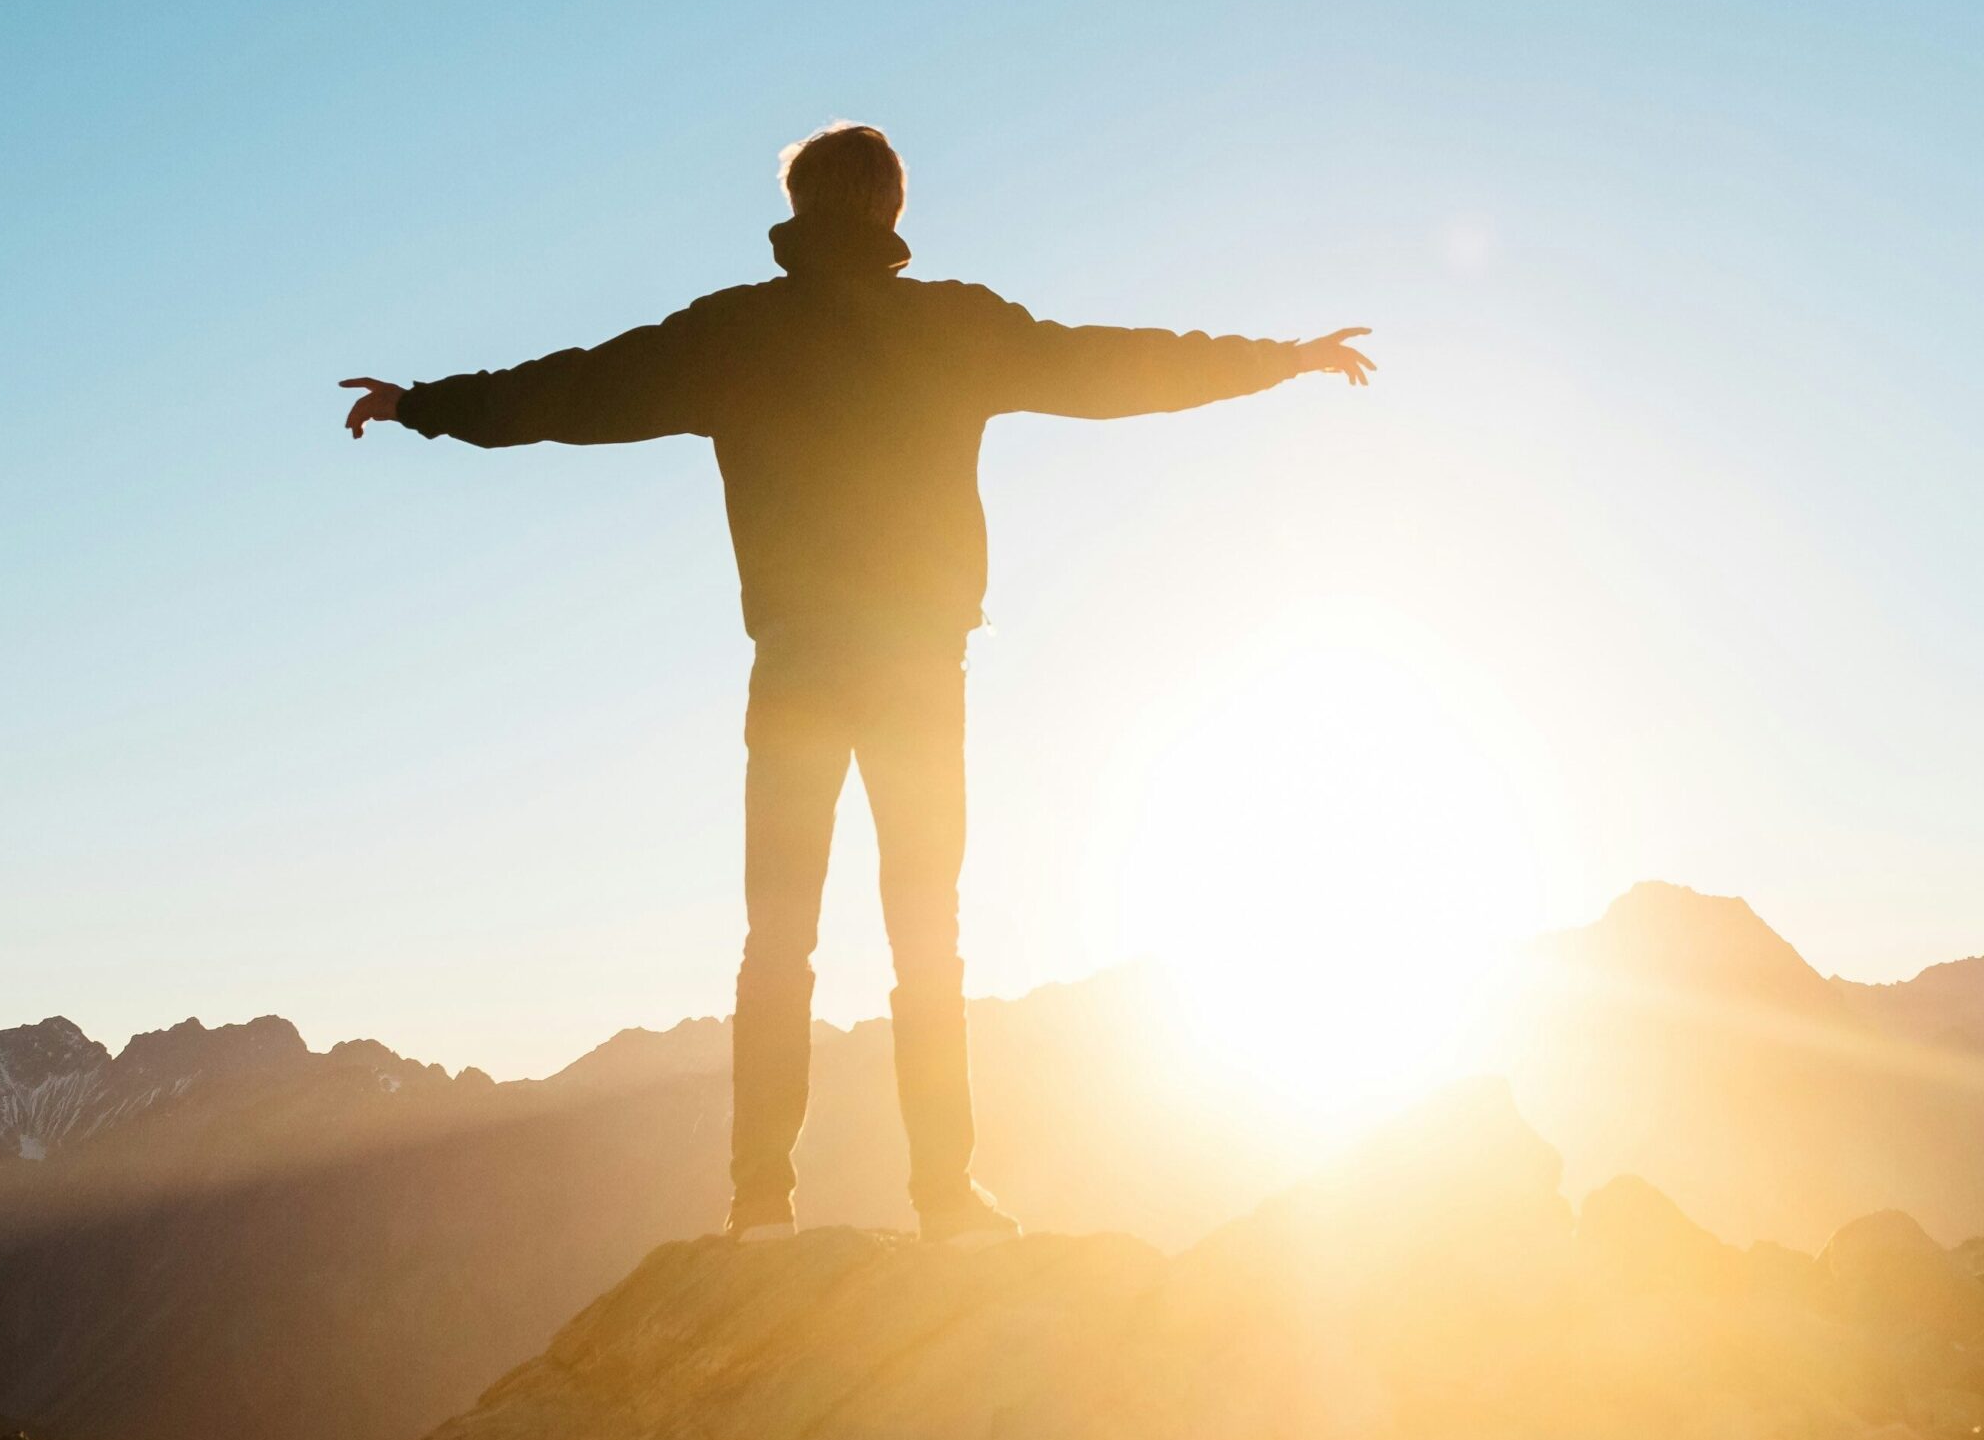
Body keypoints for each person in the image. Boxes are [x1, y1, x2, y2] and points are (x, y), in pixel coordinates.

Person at [343, 123, 1372, 1246]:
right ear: (891, 209)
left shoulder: (737, 332)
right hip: (921, 666)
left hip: (796, 664)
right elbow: (1120, 364)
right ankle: (944, 1201)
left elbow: (574, 390)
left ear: (797, 204)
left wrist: (423, 403)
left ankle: (758, 1202)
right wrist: (1283, 356)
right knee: (927, 931)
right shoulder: (952, 327)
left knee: (777, 935)